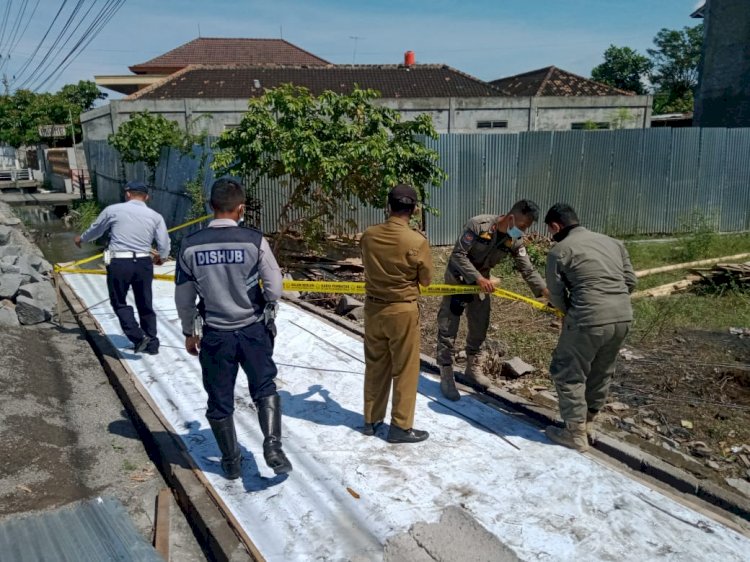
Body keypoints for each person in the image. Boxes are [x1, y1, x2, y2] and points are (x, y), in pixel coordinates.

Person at [174, 178, 292, 479]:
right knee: (264, 387)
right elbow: (275, 286)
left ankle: (230, 461)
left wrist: (189, 332)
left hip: (215, 335)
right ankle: (273, 446)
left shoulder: (189, 246)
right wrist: (266, 303)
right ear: (240, 208)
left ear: (211, 206)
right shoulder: (254, 240)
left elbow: (184, 297)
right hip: (253, 330)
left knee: (219, 399)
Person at [543, 203, 637, 452]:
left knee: (568, 370)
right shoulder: (614, 243)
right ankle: (589, 423)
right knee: (601, 370)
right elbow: (631, 281)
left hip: (587, 318)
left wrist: (569, 312)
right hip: (623, 316)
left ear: (555, 227)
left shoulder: (559, 250)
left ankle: (575, 434)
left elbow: (556, 295)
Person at [436, 200, 549, 400]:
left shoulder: (515, 239)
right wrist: (477, 278)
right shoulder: (479, 225)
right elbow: (458, 255)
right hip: (459, 279)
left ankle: (472, 368)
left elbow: (527, 269)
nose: (522, 231)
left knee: (480, 324)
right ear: (512, 217)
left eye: (527, 228)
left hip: (483, 282)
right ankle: (446, 371)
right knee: (448, 325)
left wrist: (545, 291)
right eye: (522, 226)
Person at [360, 184, 434, 444]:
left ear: (388, 206)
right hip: (402, 311)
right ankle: (400, 427)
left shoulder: (368, 235)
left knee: (375, 365)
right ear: (413, 210)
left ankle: (371, 420)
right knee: (405, 369)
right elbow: (426, 281)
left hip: (373, 309)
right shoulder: (417, 241)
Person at [75, 180, 169, 355]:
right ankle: (152, 343)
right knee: (145, 303)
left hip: (119, 262)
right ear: (146, 197)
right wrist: (162, 257)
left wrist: (82, 238)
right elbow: (164, 242)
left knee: (119, 302)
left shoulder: (113, 210)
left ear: (127, 194)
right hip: (143, 263)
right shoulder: (156, 216)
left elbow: (97, 229)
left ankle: (138, 336)